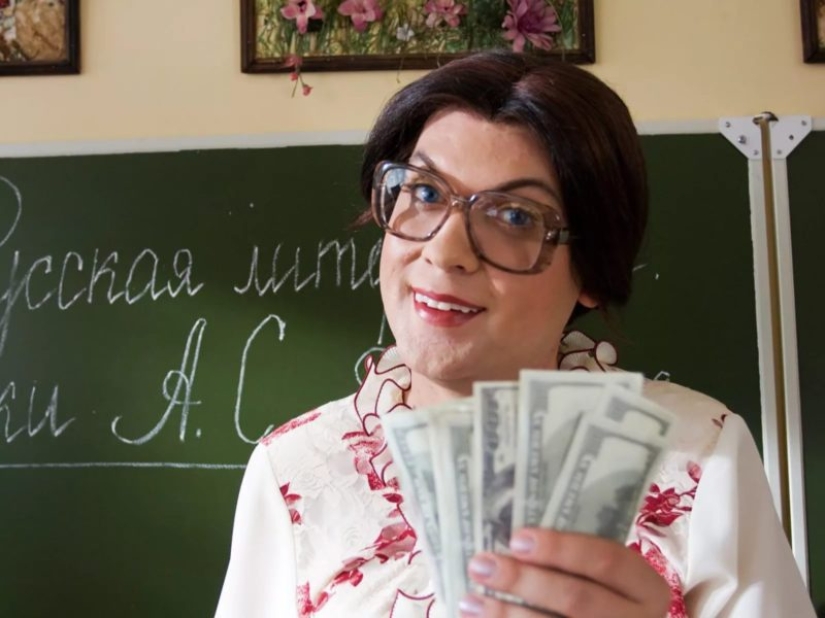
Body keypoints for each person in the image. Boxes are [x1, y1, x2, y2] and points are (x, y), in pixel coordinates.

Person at [215, 51, 815, 618]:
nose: (445, 252)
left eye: (515, 217)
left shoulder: (700, 455)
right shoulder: (294, 470)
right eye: (423, 192)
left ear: (593, 273)